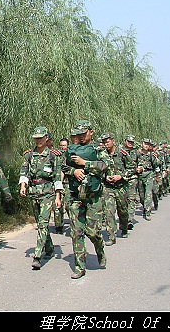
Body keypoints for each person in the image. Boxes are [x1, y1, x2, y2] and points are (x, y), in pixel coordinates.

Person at [62, 119, 112, 279]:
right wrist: (74, 171)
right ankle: (80, 266)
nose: (81, 136)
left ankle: (100, 248)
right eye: (79, 134)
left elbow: (106, 165)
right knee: (76, 232)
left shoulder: (99, 149)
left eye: (84, 133)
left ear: (91, 132)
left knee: (92, 232)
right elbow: (62, 167)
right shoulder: (71, 149)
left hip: (93, 197)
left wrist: (86, 163)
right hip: (75, 196)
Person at [19, 126, 63, 270]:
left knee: (43, 223)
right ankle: (49, 247)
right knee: (40, 223)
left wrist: (58, 197)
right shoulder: (29, 155)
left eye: (40, 138)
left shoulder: (53, 156)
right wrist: (23, 186)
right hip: (34, 192)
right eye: (36, 138)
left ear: (46, 138)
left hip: (48, 193)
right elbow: (24, 171)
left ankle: (37, 256)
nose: (38, 141)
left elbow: (57, 177)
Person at [100, 132, 129, 245]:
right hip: (108, 187)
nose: (105, 144)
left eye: (107, 142)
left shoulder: (122, 153)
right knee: (109, 212)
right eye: (104, 142)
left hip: (121, 187)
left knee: (123, 210)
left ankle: (124, 227)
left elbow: (132, 168)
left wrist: (121, 176)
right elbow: (98, 169)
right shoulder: (101, 154)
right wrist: (105, 177)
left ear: (113, 141)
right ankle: (111, 236)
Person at [136, 138, 161, 221]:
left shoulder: (151, 155)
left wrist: (156, 158)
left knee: (148, 194)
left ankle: (147, 212)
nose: (146, 146)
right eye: (145, 143)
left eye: (148, 144)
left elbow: (157, 164)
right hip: (140, 176)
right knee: (141, 195)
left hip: (149, 175)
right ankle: (144, 207)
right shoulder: (137, 153)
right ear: (142, 144)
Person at [46, 133, 66, 234]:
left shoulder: (57, 154)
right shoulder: (38, 153)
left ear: (51, 141)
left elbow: (62, 169)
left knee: (57, 206)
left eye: (48, 140)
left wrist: (60, 183)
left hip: (57, 181)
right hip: (45, 184)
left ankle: (59, 225)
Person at [121, 135, 140, 230]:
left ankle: (130, 219)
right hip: (122, 178)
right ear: (125, 141)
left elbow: (141, 163)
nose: (130, 143)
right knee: (123, 200)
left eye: (132, 142)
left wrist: (140, 168)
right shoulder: (120, 151)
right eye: (129, 141)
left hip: (132, 178)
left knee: (131, 198)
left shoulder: (136, 152)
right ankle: (124, 217)